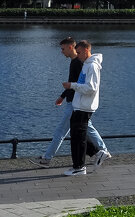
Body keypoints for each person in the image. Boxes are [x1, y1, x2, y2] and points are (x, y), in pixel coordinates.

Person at [30, 37, 110, 168]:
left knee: (61, 131)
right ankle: (102, 151)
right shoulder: (77, 62)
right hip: (75, 102)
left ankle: (47, 159)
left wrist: (66, 93)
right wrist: (62, 96)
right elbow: (74, 83)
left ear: (70, 47)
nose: (61, 52)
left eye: (63, 49)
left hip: (76, 103)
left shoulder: (79, 63)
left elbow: (80, 84)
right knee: (85, 128)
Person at [62, 39, 106, 176]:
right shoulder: (86, 65)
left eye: (79, 52)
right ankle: (96, 153)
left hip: (85, 107)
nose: (77, 54)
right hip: (80, 105)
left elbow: (91, 88)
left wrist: (72, 86)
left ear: (86, 50)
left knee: (78, 137)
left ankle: (79, 167)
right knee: (77, 135)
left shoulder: (92, 66)